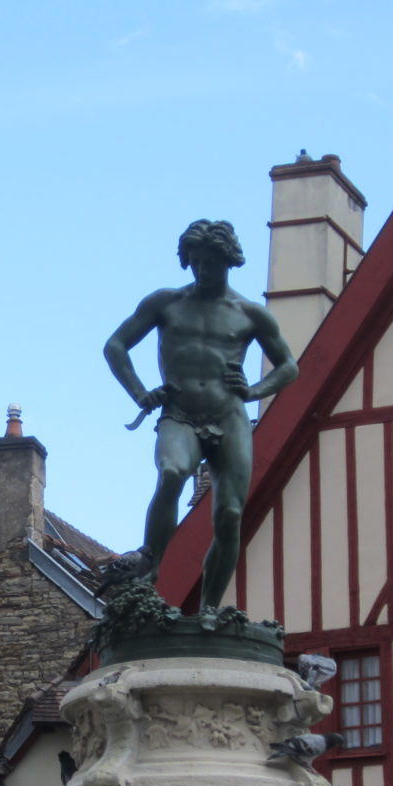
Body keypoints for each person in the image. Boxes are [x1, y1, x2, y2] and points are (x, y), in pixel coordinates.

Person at [103, 219, 298, 621]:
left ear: (228, 261)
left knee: (228, 514)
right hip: (179, 411)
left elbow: (288, 367)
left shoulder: (249, 314)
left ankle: (209, 608)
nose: (203, 270)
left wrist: (253, 390)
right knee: (173, 472)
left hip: (228, 415)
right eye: (195, 262)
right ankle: (151, 565)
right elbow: (116, 345)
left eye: (211, 263)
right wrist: (141, 392)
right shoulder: (166, 302)